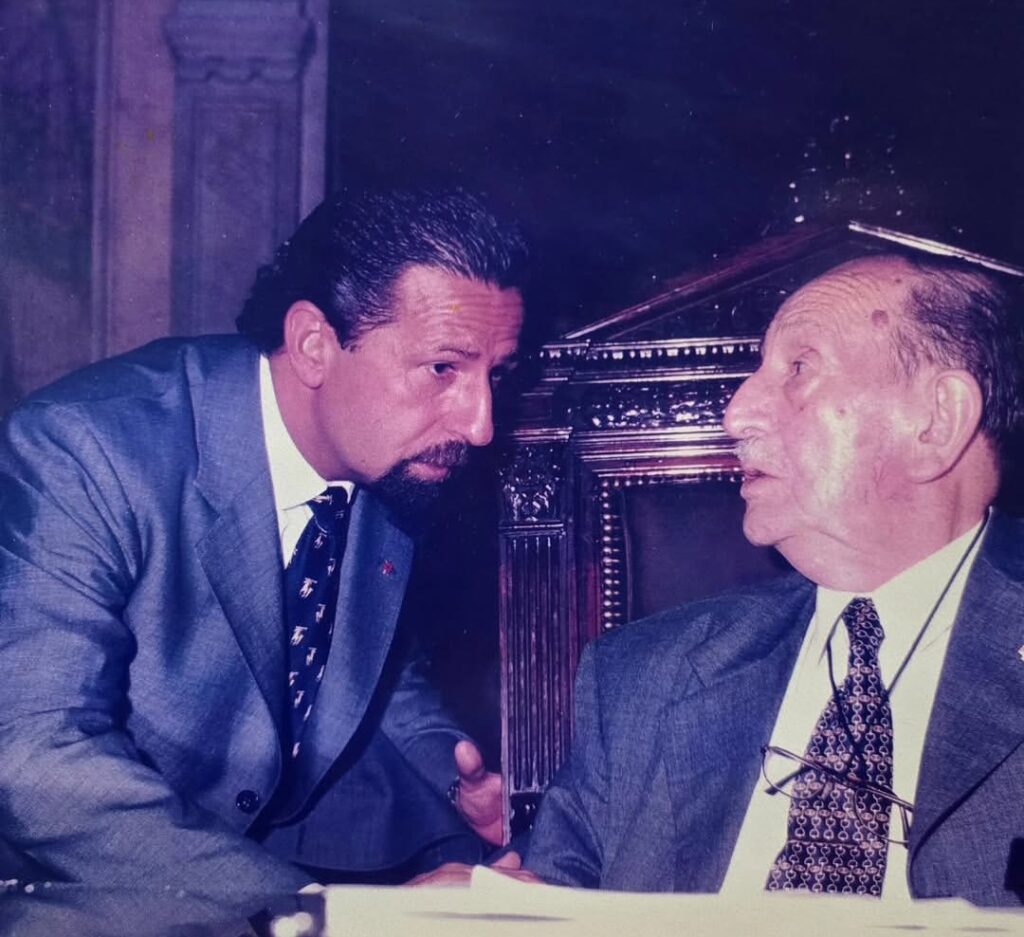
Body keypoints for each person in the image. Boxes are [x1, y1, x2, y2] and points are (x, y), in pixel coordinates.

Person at [0, 189, 529, 904]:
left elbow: (371, 668)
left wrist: (455, 782)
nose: (480, 425)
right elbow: (35, 755)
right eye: (443, 369)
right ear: (313, 343)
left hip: (264, 862)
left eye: (494, 375)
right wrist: (311, 911)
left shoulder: (394, 463)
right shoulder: (87, 448)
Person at [524, 254, 1024, 906]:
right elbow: (542, 909)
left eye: (798, 369)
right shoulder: (640, 681)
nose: (736, 414)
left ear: (938, 419)